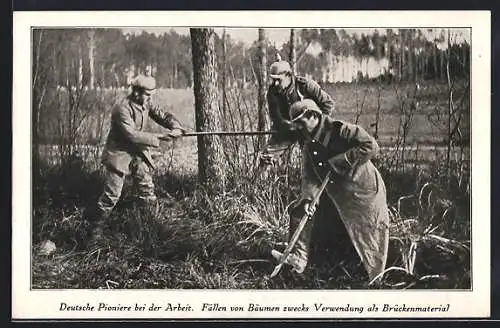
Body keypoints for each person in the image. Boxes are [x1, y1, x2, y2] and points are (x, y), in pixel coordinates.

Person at [271, 99, 390, 282]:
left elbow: (370, 146)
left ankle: (374, 277)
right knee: (300, 210)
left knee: (368, 233)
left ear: (313, 116)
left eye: (301, 124)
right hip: (336, 192)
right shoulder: (310, 145)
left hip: (363, 191)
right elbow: (309, 177)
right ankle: (299, 258)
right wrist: (309, 199)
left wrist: (342, 160)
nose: (300, 130)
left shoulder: (341, 130)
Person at [84, 74, 186, 244]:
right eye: (147, 94)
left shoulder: (145, 103)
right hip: (119, 155)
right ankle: (93, 232)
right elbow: (131, 135)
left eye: (151, 94)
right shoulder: (122, 108)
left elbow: (161, 114)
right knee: (112, 196)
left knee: (147, 190)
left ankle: (151, 227)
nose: (150, 98)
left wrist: (175, 126)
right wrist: (161, 137)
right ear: (137, 92)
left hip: (138, 154)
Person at [261, 60, 335, 164]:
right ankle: (261, 179)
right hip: (287, 129)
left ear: (288, 75)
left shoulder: (306, 86)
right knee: (266, 158)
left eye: (278, 80)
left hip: (310, 130)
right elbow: (276, 117)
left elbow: (328, 104)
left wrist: (317, 124)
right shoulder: (272, 92)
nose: (276, 84)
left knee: (315, 160)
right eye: (273, 80)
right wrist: (289, 126)